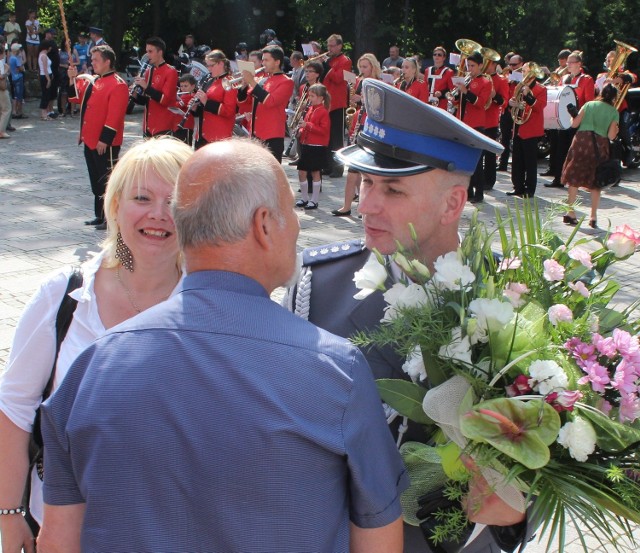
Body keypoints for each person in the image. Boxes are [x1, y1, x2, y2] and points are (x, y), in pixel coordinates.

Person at [36, 138, 408, 553]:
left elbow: (58, 539)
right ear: (264, 224)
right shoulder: (335, 371)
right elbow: (378, 537)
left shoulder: (91, 368)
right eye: (290, 214)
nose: (299, 229)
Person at [284, 78, 538, 553]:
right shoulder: (320, 286)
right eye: (367, 183)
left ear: (452, 203)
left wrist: (518, 509)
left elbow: (550, 444)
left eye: (393, 190)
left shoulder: (513, 298)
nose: (367, 204)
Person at [0, 137, 191, 553]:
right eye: (142, 198)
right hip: (56, 530)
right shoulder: (65, 297)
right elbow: (14, 410)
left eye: (174, 201)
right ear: (116, 205)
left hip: (162, 533)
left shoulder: (206, 308)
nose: (159, 215)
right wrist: (9, 514)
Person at [67, 45, 129, 229]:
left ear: (107, 61)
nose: (92, 63)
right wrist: (72, 78)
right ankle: (100, 215)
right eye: (92, 59)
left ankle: (111, 218)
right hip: (90, 139)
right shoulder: (93, 81)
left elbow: (115, 115)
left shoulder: (118, 84)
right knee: (96, 180)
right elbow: (75, 98)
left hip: (104, 142)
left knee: (107, 180)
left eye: (96, 60)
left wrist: (105, 139)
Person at [561, 83, 619, 229]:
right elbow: (611, 136)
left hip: (581, 142)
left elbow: (574, 124)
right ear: (614, 97)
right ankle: (593, 216)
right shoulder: (613, 112)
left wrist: (571, 116)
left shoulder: (589, 105)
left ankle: (571, 212)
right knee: (596, 181)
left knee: (574, 178)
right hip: (599, 146)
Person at [332, 52, 382, 216]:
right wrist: (354, 99)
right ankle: (346, 206)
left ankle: (365, 206)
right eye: (360, 66)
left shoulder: (380, 83)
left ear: (373, 67)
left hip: (373, 127)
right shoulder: (359, 81)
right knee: (352, 170)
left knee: (368, 172)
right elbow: (355, 101)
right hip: (359, 124)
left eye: (365, 67)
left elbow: (380, 106)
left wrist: (362, 99)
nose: (362, 69)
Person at [238, 45, 294, 162]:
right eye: (262, 60)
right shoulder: (262, 80)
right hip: (255, 133)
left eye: (267, 60)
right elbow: (244, 102)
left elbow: (270, 101)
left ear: (277, 62)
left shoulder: (286, 82)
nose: (263, 63)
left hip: (272, 134)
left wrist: (252, 82)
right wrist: (243, 86)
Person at [547, 50, 595, 189]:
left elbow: (589, 101)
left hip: (578, 118)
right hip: (563, 118)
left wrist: (579, 116)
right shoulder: (565, 78)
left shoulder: (587, 79)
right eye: (567, 62)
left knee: (576, 151)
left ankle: (578, 179)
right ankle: (559, 178)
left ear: (579, 64)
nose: (567, 65)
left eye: (571, 63)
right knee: (560, 149)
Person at [454, 51, 491, 203]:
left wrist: (466, 92)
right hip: (462, 122)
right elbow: (460, 102)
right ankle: (468, 191)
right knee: (464, 160)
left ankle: (479, 193)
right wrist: (455, 96)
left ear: (481, 66)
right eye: (468, 65)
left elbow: (480, 103)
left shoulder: (485, 82)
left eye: (473, 66)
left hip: (476, 124)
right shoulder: (467, 80)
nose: (469, 69)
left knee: (476, 161)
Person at [507, 62, 547, 198]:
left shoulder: (541, 89)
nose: (524, 74)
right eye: (523, 71)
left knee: (530, 162)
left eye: (526, 71)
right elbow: (515, 105)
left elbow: (539, 106)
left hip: (531, 128)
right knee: (517, 160)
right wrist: (511, 104)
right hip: (518, 126)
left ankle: (530, 189)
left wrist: (528, 96)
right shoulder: (518, 87)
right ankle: (517, 186)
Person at [132, 36, 179, 137]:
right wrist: (134, 95)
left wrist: (146, 87)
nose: (147, 55)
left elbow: (164, 100)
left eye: (150, 51)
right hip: (148, 125)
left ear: (160, 52)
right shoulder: (149, 71)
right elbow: (146, 101)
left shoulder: (170, 71)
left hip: (163, 125)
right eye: (147, 51)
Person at [295, 83, 331, 210]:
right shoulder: (311, 109)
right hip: (307, 143)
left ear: (321, 98)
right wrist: (300, 130)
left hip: (317, 145)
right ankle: (304, 198)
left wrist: (307, 125)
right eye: (309, 96)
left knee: (316, 172)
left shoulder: (323, 111)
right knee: (302, 172)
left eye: (313, 96)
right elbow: (306, 125)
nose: (309, 98)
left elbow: (324, 130)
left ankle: (314, 200)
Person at [322, 34, 352, 177]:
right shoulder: (330, 60)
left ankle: (338, 168)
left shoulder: (345, 61)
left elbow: (339, 79)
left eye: (332, 45)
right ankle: (327, 165)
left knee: (336, 138)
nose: (329, 48)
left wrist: (328, 65)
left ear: (340, 46)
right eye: (328, 45)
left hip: (338, 103)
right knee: (327, 136)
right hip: (326, 103)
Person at [194, 49, 238, 147]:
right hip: (205, 132)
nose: (209, 68)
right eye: (207, 65)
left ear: (221, 63)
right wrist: (196, 107)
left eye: (211, 65)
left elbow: (229, 111)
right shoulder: (211, 80)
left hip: (219, 135)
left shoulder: (229, 82)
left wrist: (206, 102)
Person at [540, 49, 571, 177]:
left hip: (565, 112)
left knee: (562, 145)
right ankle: (552, 168)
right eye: (560, 60)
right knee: (554, 142)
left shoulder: (573, 74)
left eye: (563, 60)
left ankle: (560, 171)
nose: (561, 63)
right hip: (555, 110)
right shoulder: (559, 71)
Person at [483, 55, 508, 189]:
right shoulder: (480, 78)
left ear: (494, 65)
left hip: (491, 119)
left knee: (489, 154)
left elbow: (504, 101)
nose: (486, 66)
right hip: (478, 118)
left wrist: (494, 96)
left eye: (489, 63)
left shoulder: (501, 80)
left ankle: (489, 181)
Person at [498, 54, 524, 170]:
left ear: (521, 64)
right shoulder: (507, 76)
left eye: (514, 65)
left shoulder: (525, 77)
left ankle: (517, 165)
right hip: (507, 109)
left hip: (519, 111)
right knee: (505, 137)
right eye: (510, 64)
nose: (512, 67)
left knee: (517, 139)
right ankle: (503, 164)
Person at [173, 73, 197, 145]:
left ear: (193, 86)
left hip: (185, 126)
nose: (183, 88)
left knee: (184, 147)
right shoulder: (183, 95)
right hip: (178, 126)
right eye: (181, 86)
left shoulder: (190, 96)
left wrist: (172, 98)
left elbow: (176, 105)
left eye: (186, 86)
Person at [37, 41, 54, 121]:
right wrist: (48, 79)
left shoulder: (43, 54)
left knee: (47, 94)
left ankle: (45, 113)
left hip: (47, 75)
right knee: (45, 95)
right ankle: (43, 114)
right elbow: (44, 68)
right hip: (45, 76)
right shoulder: (43, 56)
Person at [9, 43, 26, 119]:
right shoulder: (16, 58)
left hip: (13, 77)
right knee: (19, 96)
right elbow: (21, 68)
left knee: (15, 95)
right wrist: (21, 68)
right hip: (18, 77)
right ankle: (19, 112)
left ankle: (15, 111)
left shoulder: (11, 58)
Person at [0, 47, 11, 139]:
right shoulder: (0, 62)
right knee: (6, 109)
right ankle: (1, 131)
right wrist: (7, 70)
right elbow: (1, 76)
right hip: (1, 88)